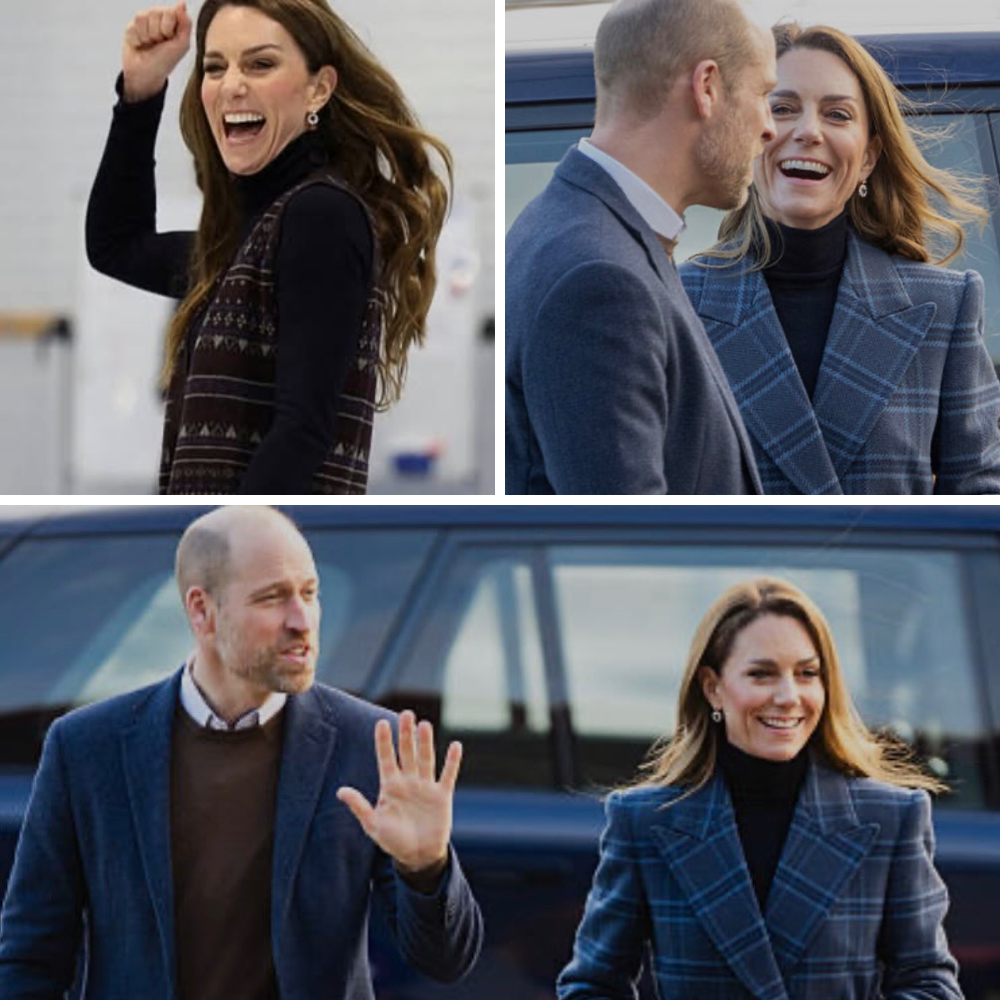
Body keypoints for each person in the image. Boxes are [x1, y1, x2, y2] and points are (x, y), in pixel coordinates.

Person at [0, 505, 482, 1000]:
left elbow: (446, 962)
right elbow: (30, 956)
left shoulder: (370, 744)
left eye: (311, 593)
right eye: (272, 598)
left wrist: (426, 867)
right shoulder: (85, 749)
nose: (302, 620)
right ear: (201, 611)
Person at [86, 1, 452, 494]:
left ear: (318, 88)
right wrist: (141, 87)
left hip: (253, 548)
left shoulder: (320, 215)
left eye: (260, 64)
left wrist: (225, 542)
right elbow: (116, 245)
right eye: (215, 67)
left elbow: (303, 430)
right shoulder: (243, 242)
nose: (233, 84)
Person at [557, 577, 963, 1000]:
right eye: (762, 674)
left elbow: (928, 983)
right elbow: (592, 985)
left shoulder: (889, 816)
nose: (789, 696)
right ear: (713, 687)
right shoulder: (646, 819)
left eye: (807, 674)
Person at [680, 23, 1000, 494]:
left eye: (837, 114)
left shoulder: (944, 307)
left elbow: (980, 502)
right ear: (748, 134)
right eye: (783, 108)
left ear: (868, 157)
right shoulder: (674, 301)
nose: (809, 132)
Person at [505, 0, 778, 495]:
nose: (770, 127)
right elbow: (627, 539)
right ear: (708, 87)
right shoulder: (600, 280)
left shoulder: (569, 225)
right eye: (763, 94)